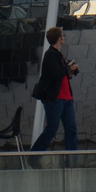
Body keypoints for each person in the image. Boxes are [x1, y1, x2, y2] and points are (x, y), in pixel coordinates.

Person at [29, 26, 80, 155]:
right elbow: (56, 74)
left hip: (66, 98)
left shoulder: (58, 55)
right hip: (55, 99)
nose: (64, 37)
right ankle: (34, 155)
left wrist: (70, 70)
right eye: (62, 35)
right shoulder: (50, 54)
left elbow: (61, 75)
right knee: (52, 128)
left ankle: (71, 158)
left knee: (71, 128)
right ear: (58, 38)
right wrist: (68, 68)